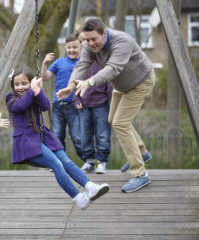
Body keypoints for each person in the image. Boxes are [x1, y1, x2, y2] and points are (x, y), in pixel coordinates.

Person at [57, 18, 154, 193]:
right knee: (112, 119)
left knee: (120, 123)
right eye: (87, 40)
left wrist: (90, 82)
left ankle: (140, 174)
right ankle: (142, 152)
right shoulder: (88, 45)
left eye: (94, 39)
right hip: (122, 85)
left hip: (140, 82)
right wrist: (70, 87)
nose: (90, 43)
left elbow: (113, 68)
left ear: (104, 33)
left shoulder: (122, 41)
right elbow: (82, 65)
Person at [5, 66, 109, 210]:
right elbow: (21, 107)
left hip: (43, 138)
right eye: (17, 84)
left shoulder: (33, 94)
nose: (20, 87)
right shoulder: (11, 98)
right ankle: (79, 198)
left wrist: (37, 91)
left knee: (65, 161)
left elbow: (45, 105)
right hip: (27, 142)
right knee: (56, 164)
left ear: (31, 83)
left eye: (24, 83)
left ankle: (90, 186)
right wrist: (32, 91)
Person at [74, 29, 113, 174]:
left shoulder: (102, 60)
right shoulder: (80, 63)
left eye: (88, 40)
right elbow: (74, 81)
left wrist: (112, 100)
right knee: (85, 134)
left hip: (101, 103)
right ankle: (89, 161)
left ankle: (102, 161)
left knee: (102, 133)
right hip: (84, 104)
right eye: (82, 41)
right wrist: (76, 97)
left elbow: (110, 81)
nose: (85, 43)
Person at [41, 33, 82, 160]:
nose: (71, 50)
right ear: (65, 48)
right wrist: (44, 63)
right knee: (57, 135)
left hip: (74, 104)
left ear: (81, 47)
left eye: (74, 47)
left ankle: (89, 161)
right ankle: (59, 162)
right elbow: (45, 77)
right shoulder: (59, 62)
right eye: (69, 47)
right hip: (58, 104)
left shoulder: (83, 64)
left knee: (77, 136)